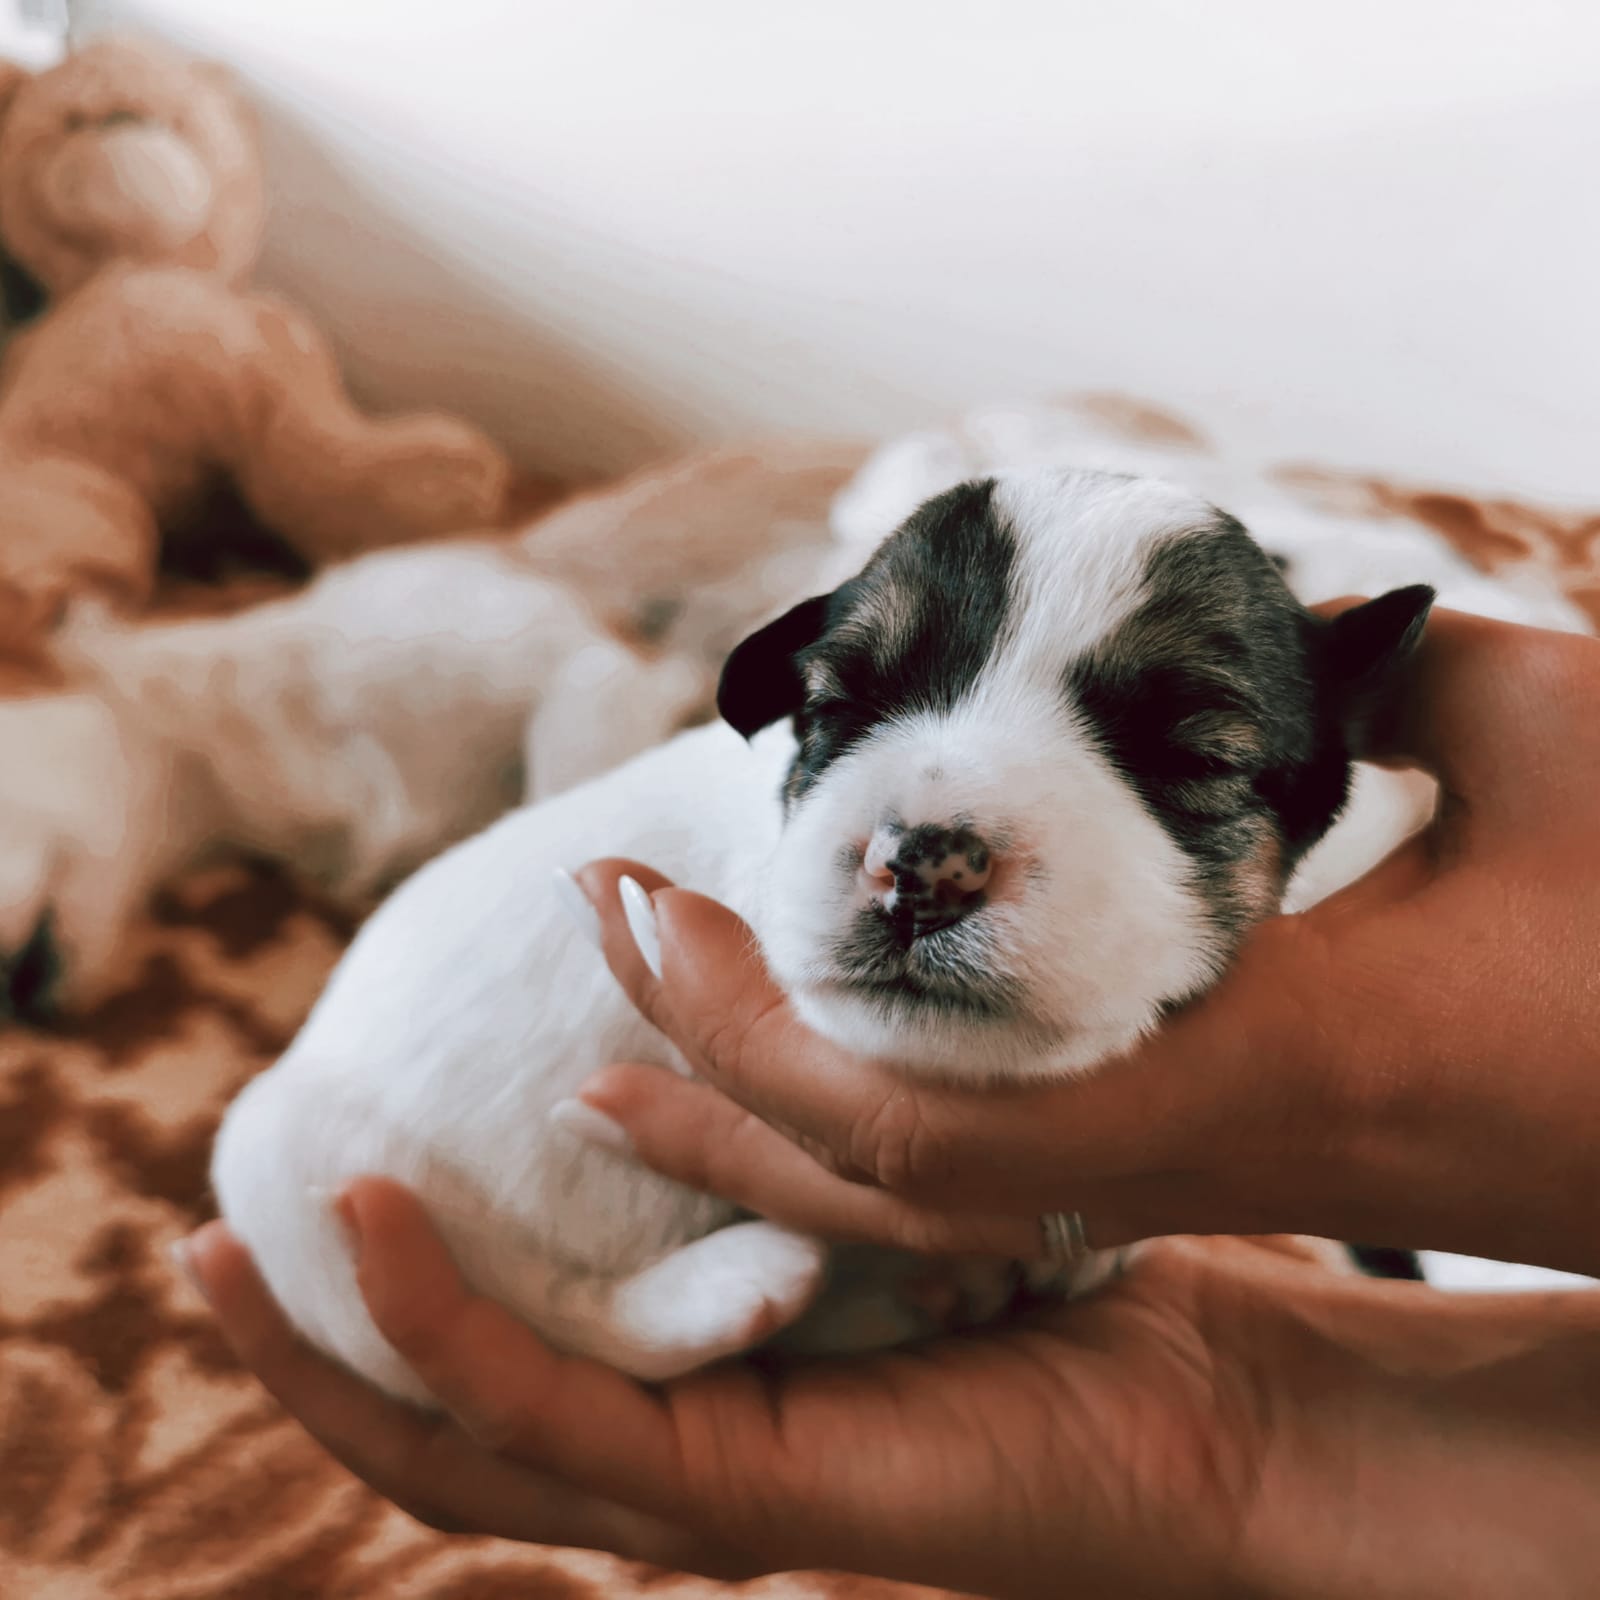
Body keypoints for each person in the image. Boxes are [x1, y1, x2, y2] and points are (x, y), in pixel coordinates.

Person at [178, 606, 1600, 1596]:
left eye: (1187, 755)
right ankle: (600, 1311)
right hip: (442, 1163)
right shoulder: (790, 823)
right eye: (849, 708)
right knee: (276, 1165)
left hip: (762, 1254)